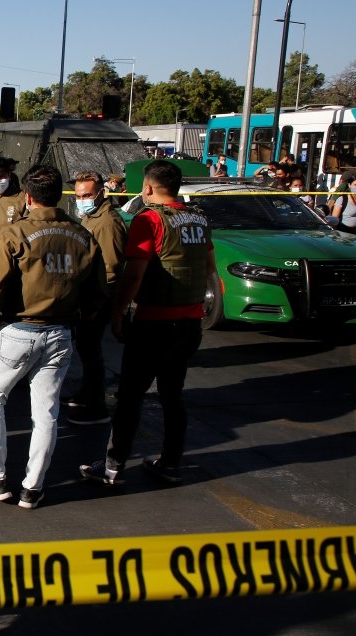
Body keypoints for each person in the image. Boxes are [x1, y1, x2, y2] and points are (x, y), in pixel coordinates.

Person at [0, 165, 107, 509]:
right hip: (60, 334)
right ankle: (33, 487)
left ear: (28, 197)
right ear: (60, 195)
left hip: (16, 330)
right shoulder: (83, 235)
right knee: (46, 413)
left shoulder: (15, 234)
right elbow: (96, 294)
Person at [80, 160, 216, 486]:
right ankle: (171, 462)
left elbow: (134, 275)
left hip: (155, 322)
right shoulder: (199, 219)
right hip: (189, 323)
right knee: (173, 395)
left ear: (148, 188)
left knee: (130, 397)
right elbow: (209, 267)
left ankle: (112, 467)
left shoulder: (149, 219)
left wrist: (117, 314)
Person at [64, 171, 127, 426]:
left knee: (91, 351)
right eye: (79, 195)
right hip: (88, 295)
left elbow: (111, 268)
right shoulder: (91, 217)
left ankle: (96, 405)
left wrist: (96, 303)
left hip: (98, 297)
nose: (82, 200)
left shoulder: (107, 222)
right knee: (85, 348)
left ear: (101, 193)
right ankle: (85, 393)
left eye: (87, 195)